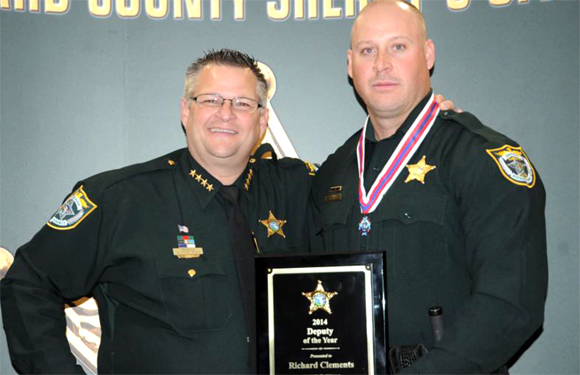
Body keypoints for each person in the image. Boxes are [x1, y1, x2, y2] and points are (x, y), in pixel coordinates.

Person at [0, 49, 316, 374]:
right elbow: (29, 283)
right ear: (185, 110)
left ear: (262, 119)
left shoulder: (297, 189)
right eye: (210, 100)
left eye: (243, 103)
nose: (226, 113)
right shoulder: (119, 199)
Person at [312, 1, 548, 373]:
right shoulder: (334, 172)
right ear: (349, 64)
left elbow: (510, 304)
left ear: (428, 54)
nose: (381, 64)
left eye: (398, 46)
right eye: (367, 50)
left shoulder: (478, 156)